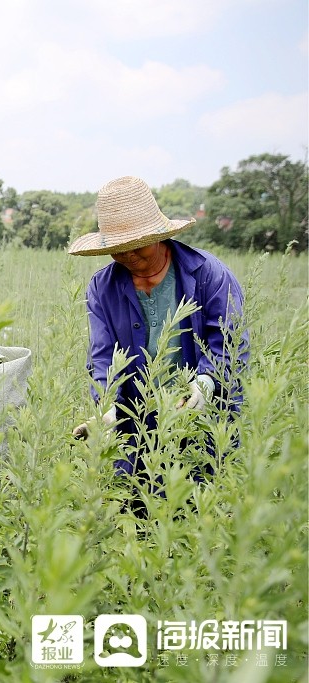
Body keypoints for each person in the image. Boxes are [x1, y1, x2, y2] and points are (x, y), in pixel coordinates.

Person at [69, 176, 248, 513]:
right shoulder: (102, 287)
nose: (128, 255)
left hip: (199, 423)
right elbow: (103, 357)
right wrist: (106, 406)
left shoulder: (210, 275)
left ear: (159, 237)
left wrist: (205, 385)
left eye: (137, 244)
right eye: (118, 248)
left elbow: (230, 348)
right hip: (138, 427)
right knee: (138, 514)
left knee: (200, 517)